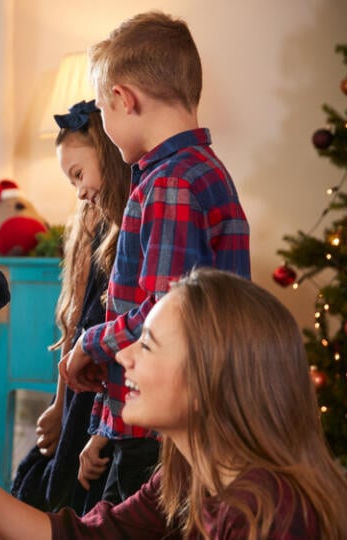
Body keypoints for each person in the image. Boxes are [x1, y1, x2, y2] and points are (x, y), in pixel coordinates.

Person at [0, 268, 347, 539]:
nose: (123, 356)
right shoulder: (189, 472)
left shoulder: (270, 514)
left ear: (209, 379)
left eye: (147, 344)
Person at [61, 11, 251, 506]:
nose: (105, 121)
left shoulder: (168, 185)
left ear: (123, 99)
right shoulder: (205, 172)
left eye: (103, 109)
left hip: (164, 435)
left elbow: (164, 319)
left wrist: (89, 341)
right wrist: (106, 423)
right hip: (180, 421)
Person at [10, 99, 130, 515]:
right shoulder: (90, 225)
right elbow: (74, 326)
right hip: (81, 397)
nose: (79, 191)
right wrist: (58, 405)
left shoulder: (132, 228)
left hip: (111, 399)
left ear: (110, 155)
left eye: (79, 174)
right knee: (37, 484)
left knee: (79, 503)